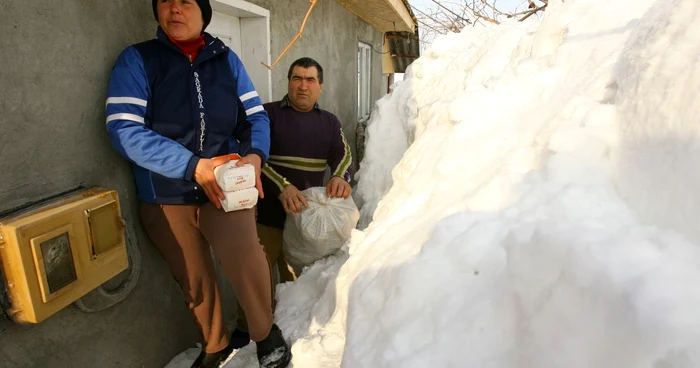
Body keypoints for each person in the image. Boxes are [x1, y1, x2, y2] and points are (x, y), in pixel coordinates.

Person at [104, 1, 290, 367]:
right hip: (164, 192)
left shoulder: (226, 60)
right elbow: (123, 128)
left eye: (186, 1)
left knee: (246, 256)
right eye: (166, 1)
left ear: (204, 12)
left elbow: (254, 117)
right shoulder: (138, 59)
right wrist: (191, 166)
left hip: (226, 186)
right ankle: (214, 344)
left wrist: (254, 156)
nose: (175, 8)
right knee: (193, 277)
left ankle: (265, 333)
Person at [258, 57, 353, 278]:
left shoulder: (329, 122)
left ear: (320, 86)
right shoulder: (266, 115)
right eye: (297, 78)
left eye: (310, 80)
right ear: (288, 82)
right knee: (256, 281)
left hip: (307, 223)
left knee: (299, 287)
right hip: (265, 218)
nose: (303, 86)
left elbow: (344, 154)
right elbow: (253, 158)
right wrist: (282, 187)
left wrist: (340, 177)